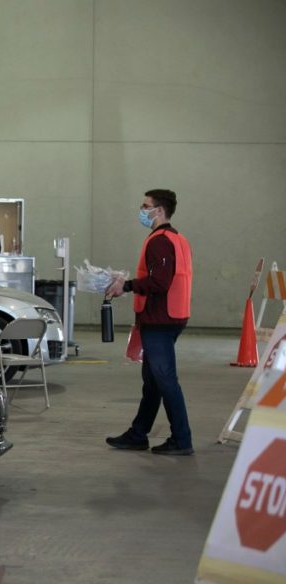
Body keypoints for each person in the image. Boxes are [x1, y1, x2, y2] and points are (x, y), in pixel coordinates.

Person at [104, 188, 194, 456]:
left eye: (146, 206)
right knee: (153, 380)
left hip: (160, 321)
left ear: (159, 210)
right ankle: (138, 434)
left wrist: (126, 285)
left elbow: (160, 281)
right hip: (169, 316)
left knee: (165, 380)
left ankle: (182, 439)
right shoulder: (176, 238)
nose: (141, 210)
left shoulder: (160, 241)